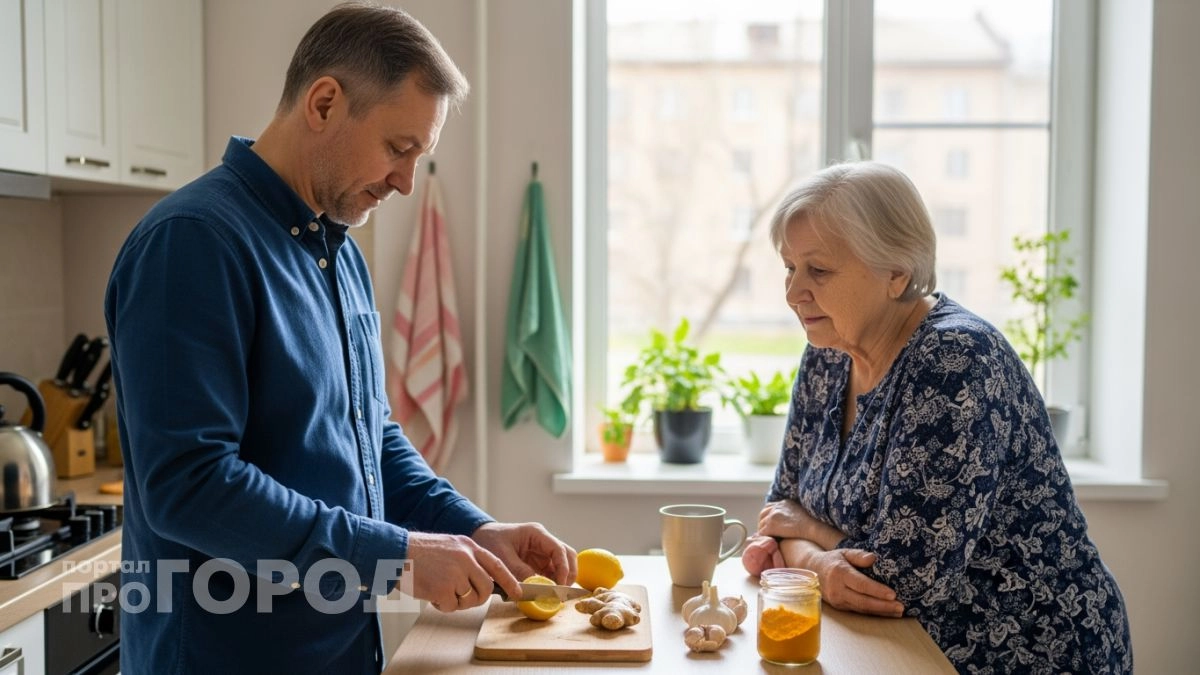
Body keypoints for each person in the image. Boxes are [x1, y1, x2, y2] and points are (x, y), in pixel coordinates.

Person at [104, 4, 576, 673]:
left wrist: (472, 527)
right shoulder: (193, 243)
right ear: (324, 102)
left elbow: (367, 436)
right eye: (398, 148)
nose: (407, 181)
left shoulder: (338, 253)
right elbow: (190, 483)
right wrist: (396, 556)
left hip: (338, 652)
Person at [740, 162, 1132, 673]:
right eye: (790, 267)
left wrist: (806, 539)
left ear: (896, 272)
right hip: (901, 647)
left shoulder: (956, 359)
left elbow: (904, 581)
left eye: (819, 270)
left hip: (1026, 650)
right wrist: (818, 557)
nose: (793, 293)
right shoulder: (829, 350)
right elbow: (777, 516)